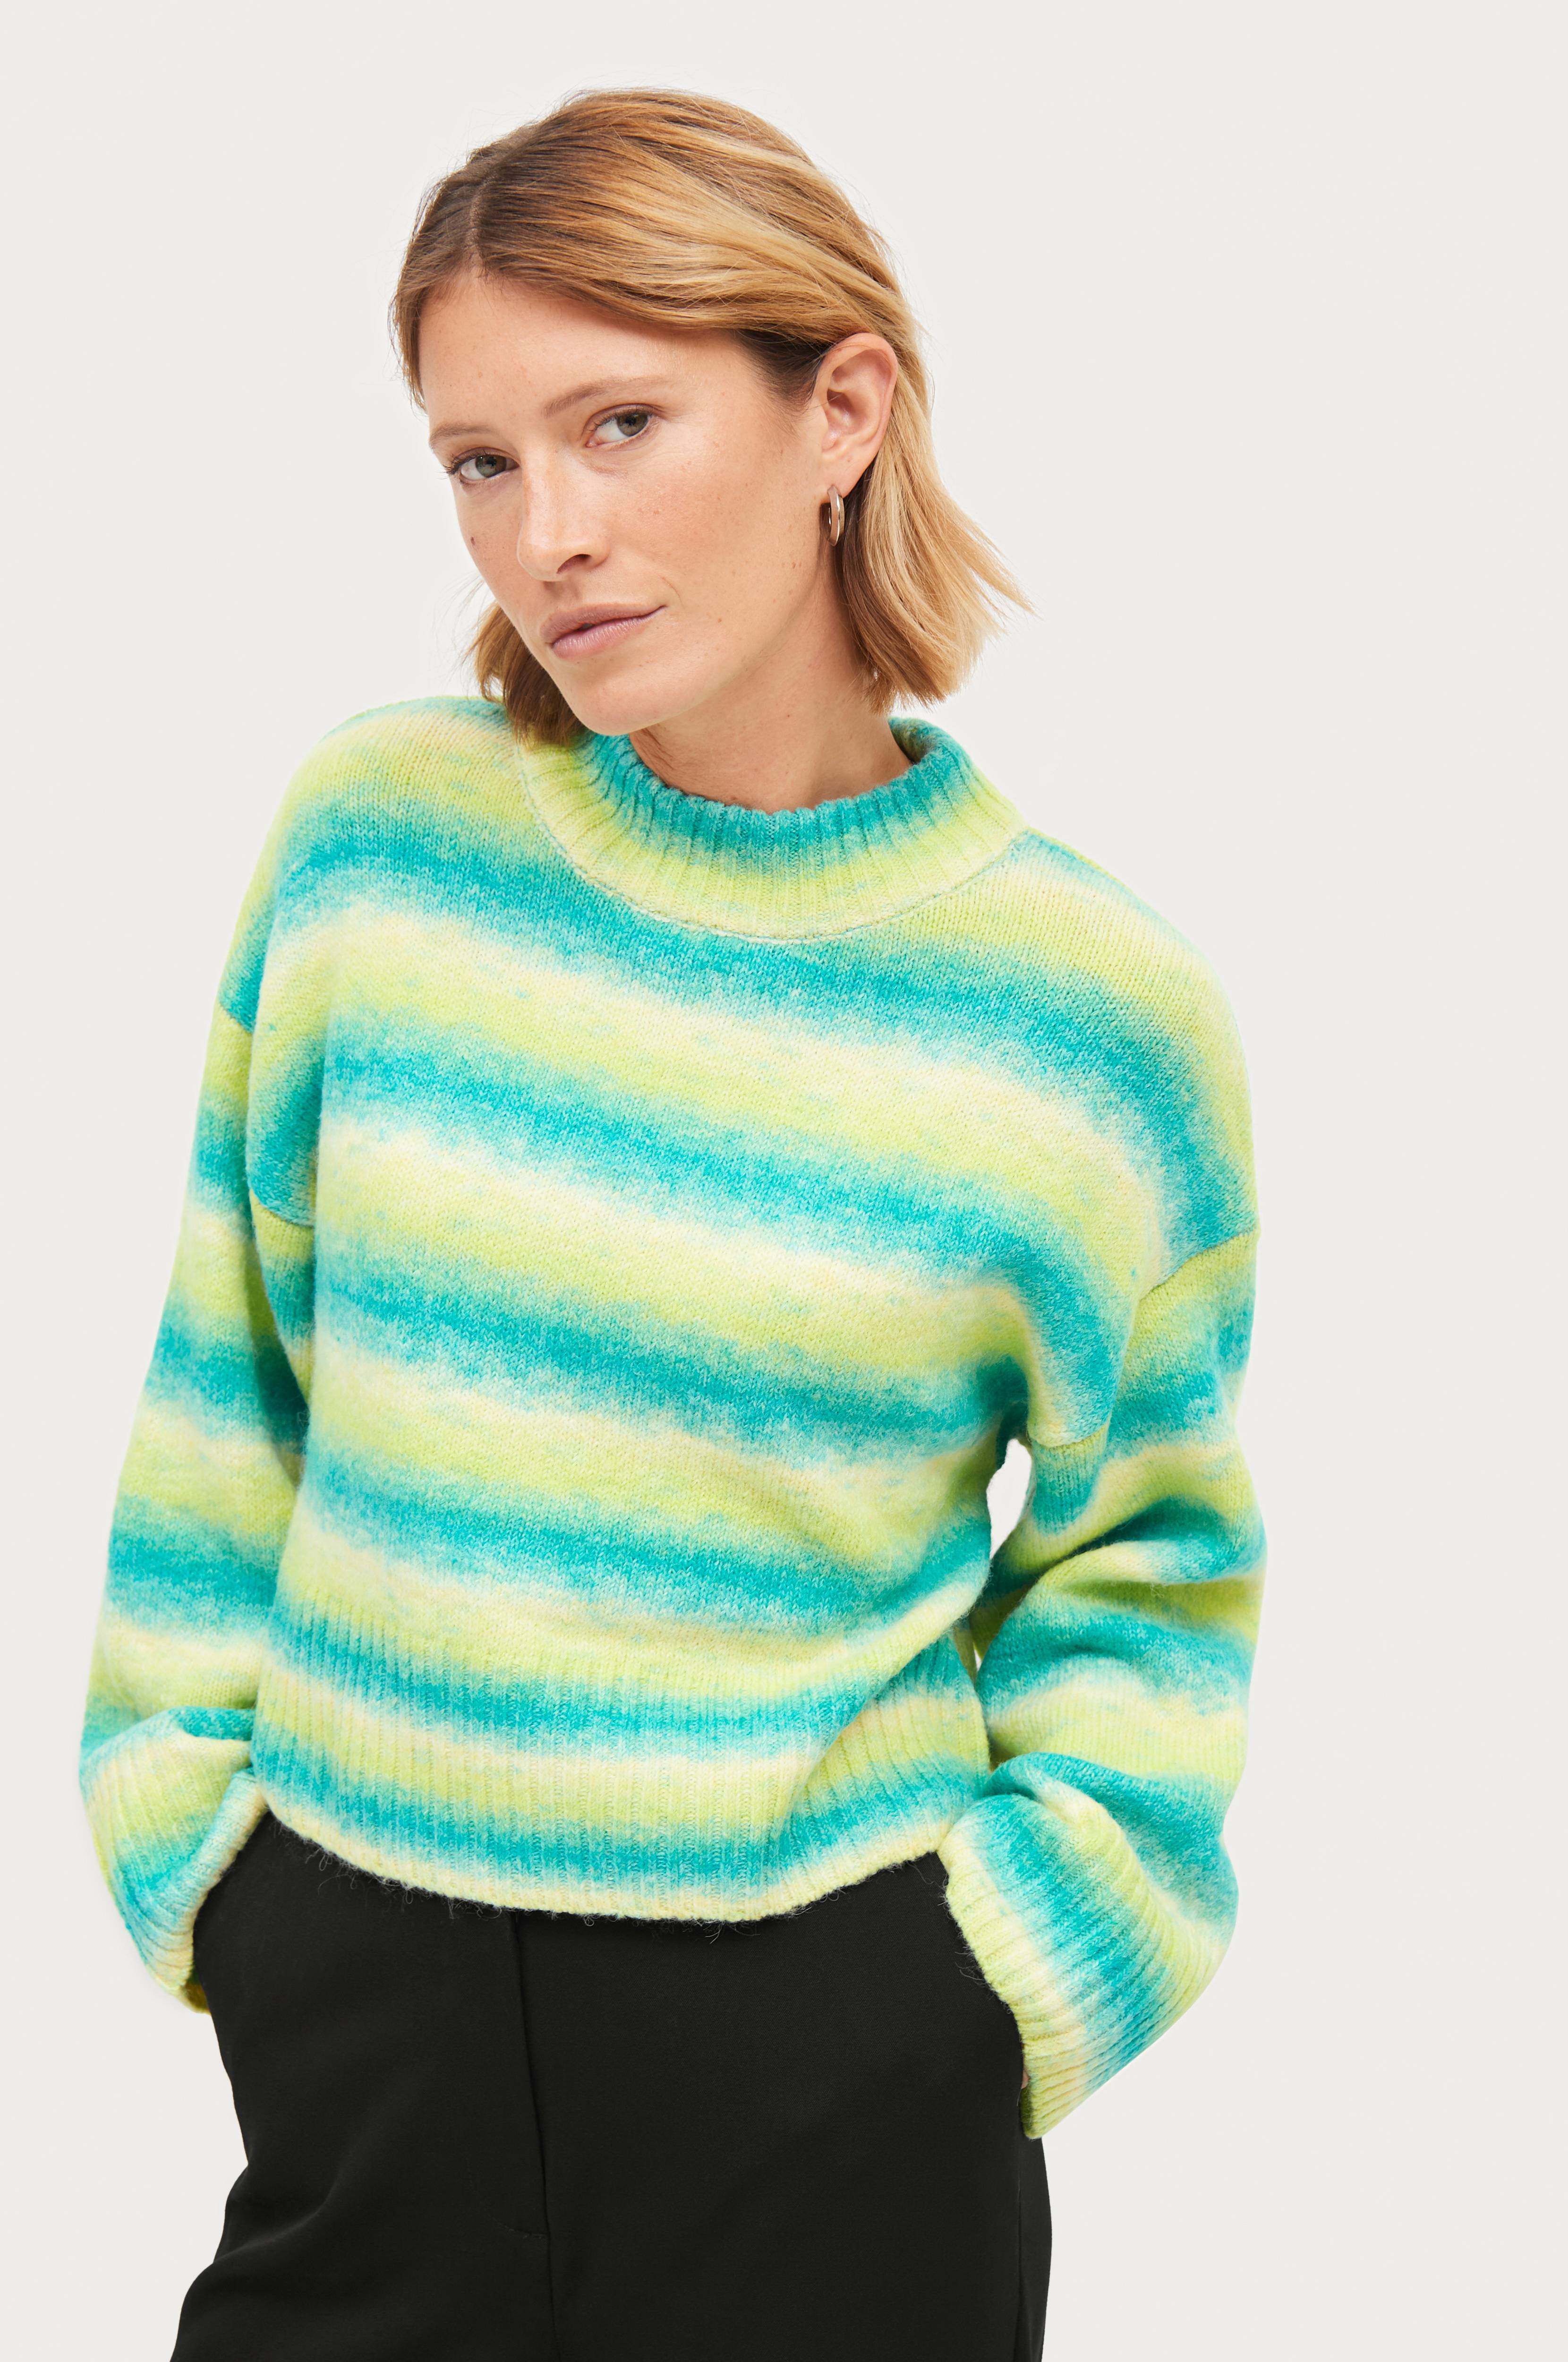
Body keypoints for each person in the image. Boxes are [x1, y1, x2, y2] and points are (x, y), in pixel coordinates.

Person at [78, 88, 1265, 2362]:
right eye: (479, 459)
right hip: (364, 2024)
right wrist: (201, 1850)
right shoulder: (379, 843)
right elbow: (231, 1374)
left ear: (843, 409)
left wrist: (992, 1983)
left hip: (832, 2075)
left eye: (618, 423)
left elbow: (1151, 1557)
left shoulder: (1089, 1013)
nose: (547, 533)